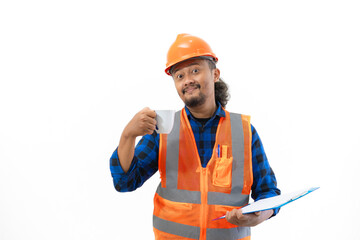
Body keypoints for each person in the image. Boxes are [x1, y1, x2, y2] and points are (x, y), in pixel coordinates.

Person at [110, 33, 280, 240]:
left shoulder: (244, 131)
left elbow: (269, 192)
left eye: (195, 71)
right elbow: (125, 182)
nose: (188, 80)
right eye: (179, 76)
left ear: (215, 74)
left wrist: (258, 216)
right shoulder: (164, 129)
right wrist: (128, 135)